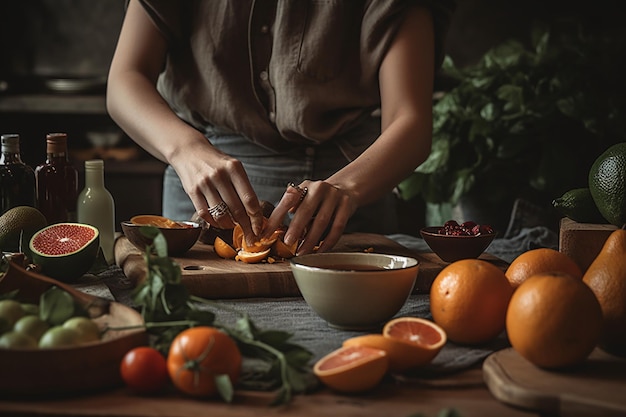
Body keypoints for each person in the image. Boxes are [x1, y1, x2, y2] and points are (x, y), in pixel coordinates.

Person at [107, 0, 455, 255]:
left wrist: (346, 188)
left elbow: (410, 120)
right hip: (202, 195)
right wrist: (186, 150)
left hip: (349, 200)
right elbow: (125, 81)